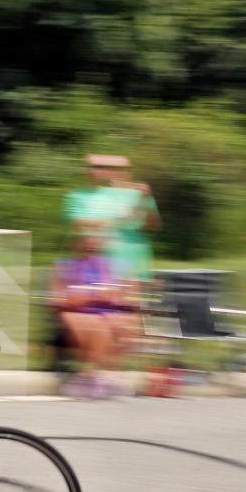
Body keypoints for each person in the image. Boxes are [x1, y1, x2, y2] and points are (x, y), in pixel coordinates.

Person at [50, 232, 140, 398]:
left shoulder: (106, 266)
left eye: (94, 246)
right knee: (98, 326)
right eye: (87, 245)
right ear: (76, 246)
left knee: (124, 322)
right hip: (77, 312)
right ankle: (89, 374)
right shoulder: (65, 266)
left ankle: (108, 373)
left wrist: (116, 294)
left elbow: (121, 292)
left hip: (105, 312)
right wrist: (91, 296)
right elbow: (59, 297)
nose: (91, 249)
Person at [64, 153, 160, 282]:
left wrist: (146, 200)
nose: (95, 171)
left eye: (115, 168)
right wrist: (121, 220)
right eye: (94, 167)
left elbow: (153, 227)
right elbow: (79, 224)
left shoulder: (138, 194)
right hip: (96, 271)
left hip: (134, 268)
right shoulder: (78, 196)